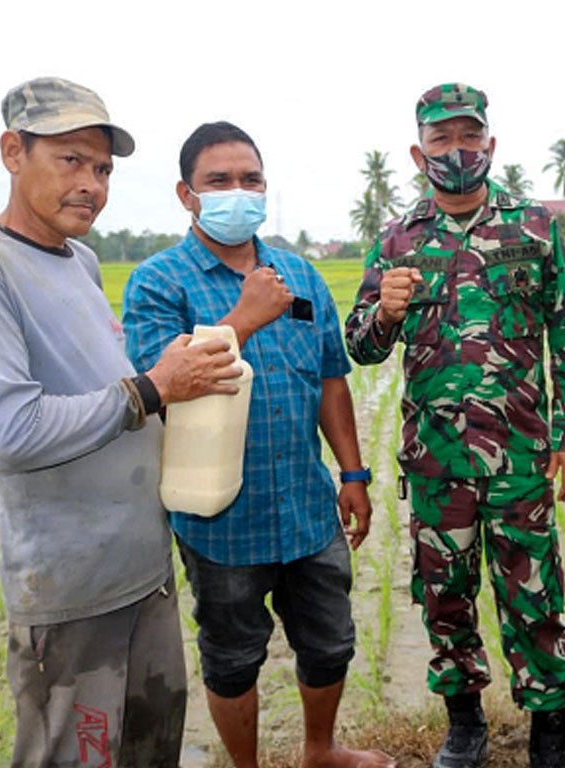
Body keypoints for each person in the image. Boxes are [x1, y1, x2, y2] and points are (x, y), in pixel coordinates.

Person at [0, 77, 240, 767]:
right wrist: (152, 389)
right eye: (70, 160)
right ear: (14, 151)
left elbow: (106, 383)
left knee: (151, 751)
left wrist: (166, 381)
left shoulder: (81, 262)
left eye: (101, 169)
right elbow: (11, 431)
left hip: (142, 572)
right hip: (71, 596)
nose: (92, 184)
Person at [344, 83, 565, 768]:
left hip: (521, 456)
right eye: (440, 139)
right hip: (436, 462)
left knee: (533, 594)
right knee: (445, 595)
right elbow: (361, 346)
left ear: (490, 144)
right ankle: (464, 725)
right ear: (417, 151)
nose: (455, 151)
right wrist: (387, 314)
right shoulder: (398, 238)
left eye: (468, 136)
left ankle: (551, 732)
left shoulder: (532, 226)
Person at [122, 121, 393, 768]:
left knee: (330, 643)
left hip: (306, 504)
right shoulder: (160, 283)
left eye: (251, 179)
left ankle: (320, 750)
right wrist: (243, 317)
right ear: (187, 194)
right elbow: (161, 384)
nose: (237, 192)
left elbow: (331, 379)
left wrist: (353, 475)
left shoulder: (298, 276)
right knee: (233, 657)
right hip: (220, 517)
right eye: (219, 181)